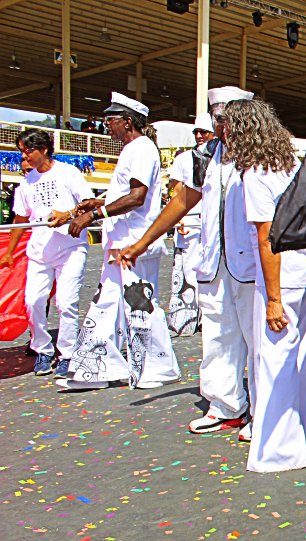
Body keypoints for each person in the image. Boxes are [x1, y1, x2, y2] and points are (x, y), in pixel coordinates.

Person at [119, 86, 258, 439]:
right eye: (217, 119)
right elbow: (181, 202)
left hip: (253, 266)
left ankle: (264, 410)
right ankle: (226, 406)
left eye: (226, 119)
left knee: (259, 341)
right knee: (216, 337)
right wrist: (143, 241)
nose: (222, 127)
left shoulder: (260, 153)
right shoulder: (205, 156)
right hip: (213, 263)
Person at [220, 97, 306, 472]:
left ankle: (279, 449)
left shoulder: (254, 176)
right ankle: (302, 433)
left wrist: (273, 300)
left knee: (275, 359)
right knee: (300, 357)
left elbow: (267, 239)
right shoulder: (290, 164)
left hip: (285, 275)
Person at [54, 92, 180, 390]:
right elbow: (124, 193)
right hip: (119, 242)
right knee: (105, 303)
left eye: (110, 120)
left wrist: (95, 214)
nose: (106, 125)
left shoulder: (141, 148)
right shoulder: (131, 150)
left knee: (140, 304)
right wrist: (93, 203)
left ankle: (156, 369)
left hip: (136, 243)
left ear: (127, 121)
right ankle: (96, 368)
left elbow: (137, 197)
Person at [1, 129, 91, 377]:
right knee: (33, 302)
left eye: (28, 151)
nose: (25, 156)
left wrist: (69, 215)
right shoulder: (25, 184)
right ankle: (42, 349)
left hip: (70, 249)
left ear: (44, 149)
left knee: (66, 302)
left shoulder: (68, 173)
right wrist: (9, 252)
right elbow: (21, 218)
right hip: (39, 253)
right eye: (22, 151)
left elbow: (89, 202)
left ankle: (68, 354)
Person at [166, 113, 215, 336]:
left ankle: (208, 317)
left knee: (210, 270)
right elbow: (176, 190)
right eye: (196, 132)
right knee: (187, 271)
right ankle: (185, 317)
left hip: (212, 223)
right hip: (190, 222)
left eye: (203, 132)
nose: (199, 136)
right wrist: (179, 218)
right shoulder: (183, 159)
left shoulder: (220, 156)